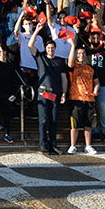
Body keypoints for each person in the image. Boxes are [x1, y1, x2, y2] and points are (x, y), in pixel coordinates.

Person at [28, 20, 68, 155]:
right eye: (48, 47)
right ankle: (43, 144)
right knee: (43, 120)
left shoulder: (60, 61)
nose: (50, 49)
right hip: (43, 91)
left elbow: (64, 78)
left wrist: (64, 93)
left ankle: (53, 144)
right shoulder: (40, 57)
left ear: (55, 49)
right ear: (46, 48)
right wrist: (37, 30)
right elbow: (30, 45)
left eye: (52, 47)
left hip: (56, 93)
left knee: (54, 121)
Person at [65, 36, 99, 155]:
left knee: (88, 125)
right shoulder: (73, 66)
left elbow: (96, 82)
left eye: (83, 53)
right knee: (74, 124)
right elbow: (69, 62)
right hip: (76, 98)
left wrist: (95, 90)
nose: (81, 55)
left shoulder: (91, 68)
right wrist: (72, 46)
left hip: (89, 99)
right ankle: (73, 145)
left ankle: (88, 146)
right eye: (79, 53)